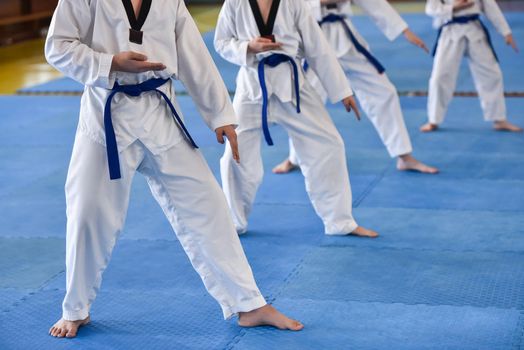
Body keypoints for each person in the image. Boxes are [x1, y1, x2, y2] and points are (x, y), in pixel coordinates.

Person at [45, 0, 303, 338]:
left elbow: (194, 54)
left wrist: (221, 116)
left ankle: (249, 304)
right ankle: (75, 309)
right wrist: (108, 63)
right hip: (106, 117)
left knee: (208, 204)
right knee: (87, 213)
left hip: (161, 115)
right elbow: (57, 47)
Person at [214, 0, 378, 238]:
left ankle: (340, 222)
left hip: (293, 84)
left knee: (329, 144)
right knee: (235, 154)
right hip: (252, 88)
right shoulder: (235, 3)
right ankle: (235, 222)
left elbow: (317, 47)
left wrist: (342, 90)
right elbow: (221, 42)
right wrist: (248, 46)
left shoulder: (294, 3)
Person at [273, 0, 439, 175]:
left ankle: (404, 155)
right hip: (314, 38)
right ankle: (294, 157)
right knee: (306, 99)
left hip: (345, 36)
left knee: (383, 91)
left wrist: (403, 30)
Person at [421, 0, 522, 132]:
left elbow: (490, 6)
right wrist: (453, 8)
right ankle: (433, 119)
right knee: (440, 76)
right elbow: (431, 8)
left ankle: (499, 119)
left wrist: (505, 31)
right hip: (450, 32)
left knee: (492, 75)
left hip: (475, 29)